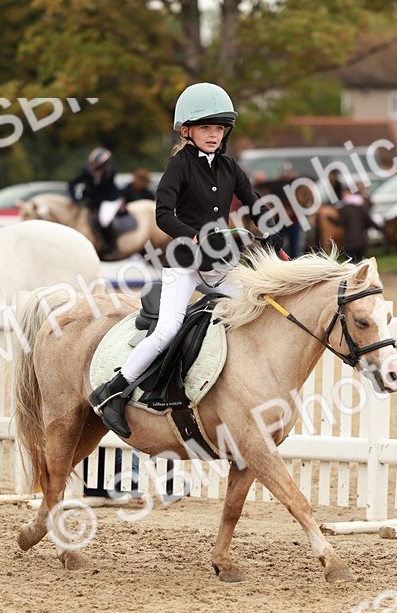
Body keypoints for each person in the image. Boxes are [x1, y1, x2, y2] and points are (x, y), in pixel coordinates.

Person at [88, 81, 279, 438]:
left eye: (219, 128)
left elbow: (252, 200)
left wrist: (269, 228)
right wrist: (194, 234)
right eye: (206, 128)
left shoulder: (229, 167)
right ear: (187, 131)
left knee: (258, 308)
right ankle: (112, 391)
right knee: (166, 332)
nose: (214, 135)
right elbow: (163, 213)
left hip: (220, 265)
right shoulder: (179, 166)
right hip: (185, 265)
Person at [68, 147, 124, 259]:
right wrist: (76, 199)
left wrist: (90, 201)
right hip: (94, 199)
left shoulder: (110, 173)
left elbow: (103, 193)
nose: (93, 168)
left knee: (104, 220)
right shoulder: (87, 170)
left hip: (109, 199)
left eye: (96, 166)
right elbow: (72, 184)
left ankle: (111, 247)